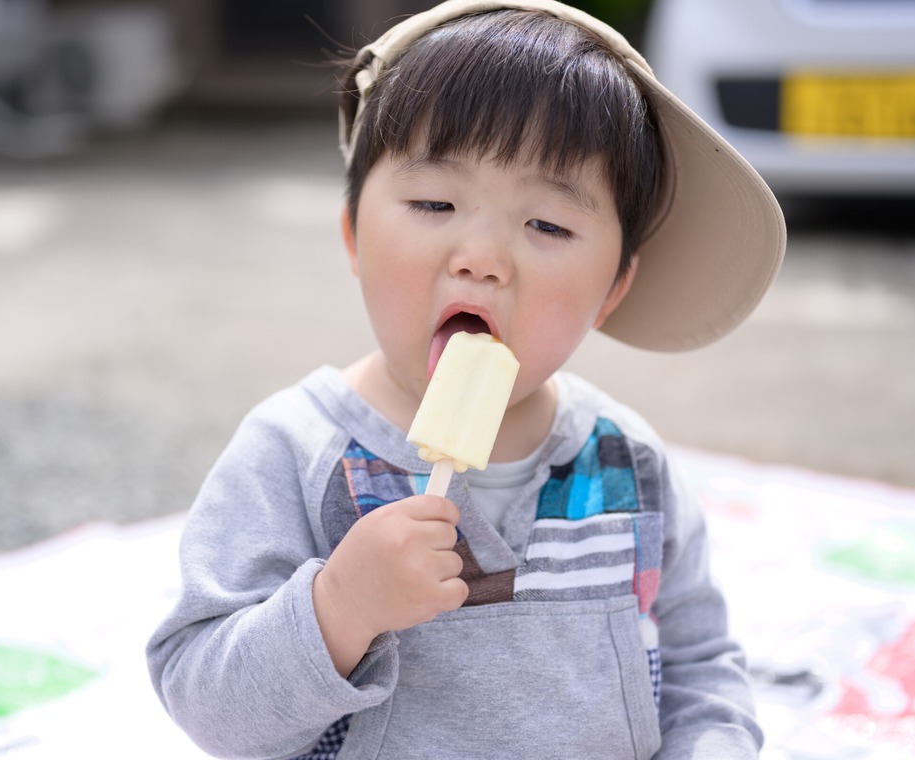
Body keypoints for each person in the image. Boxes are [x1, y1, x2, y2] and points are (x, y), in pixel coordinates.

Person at [146, 1, 786, 757]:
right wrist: (340, 608)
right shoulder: (294, 452)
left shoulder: (629, 467)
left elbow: (699, 671)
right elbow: (205, 702)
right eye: (433, 203)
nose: (482, 255)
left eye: (547, 225)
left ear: (614, 287)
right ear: (354, 236)